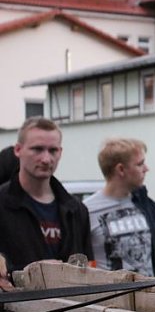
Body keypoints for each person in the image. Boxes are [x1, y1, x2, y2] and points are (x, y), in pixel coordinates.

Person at [0, 117, 92, 278]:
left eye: (53, 150)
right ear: (18, 150)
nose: (46, 159)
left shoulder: (77, 210)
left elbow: (88, 267)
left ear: (60, 152)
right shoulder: (2, 204)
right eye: (37, 149)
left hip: (72, 302)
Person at [84, 138, 155, 277]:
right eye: (140, 164)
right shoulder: (87, 211)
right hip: (110, 295)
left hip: (152, 294)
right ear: (121, 169)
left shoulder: (149, 208)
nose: (146, 169)